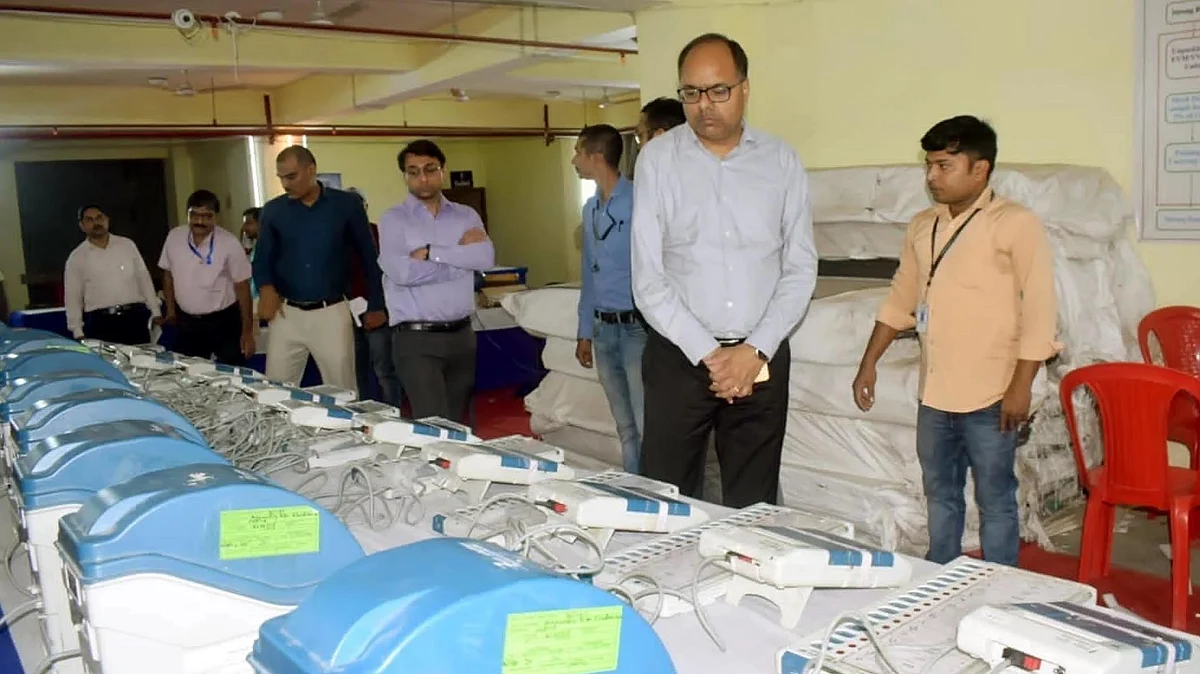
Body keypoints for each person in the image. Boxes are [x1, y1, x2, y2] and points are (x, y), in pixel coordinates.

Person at [851, 116, 1059, 567]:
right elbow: (901, 296)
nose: (931, 177)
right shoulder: (923, 225)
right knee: (941, 495)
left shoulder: (1016, 224)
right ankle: (940, 574)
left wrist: (1021, 385)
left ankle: (1001, 585)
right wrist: (869, 363)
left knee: (996, 499)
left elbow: (1040, 311)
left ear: (980, 169)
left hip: (992, 394)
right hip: (936, 395)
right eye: (929, 166)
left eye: (944, 166)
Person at [631, 33, 818, 508]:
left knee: (754, 501)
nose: (703, 105)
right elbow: (648, 279)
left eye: (718, 91)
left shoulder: (781, 161)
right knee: (667, 497)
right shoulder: (657, 160)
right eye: (690, 93)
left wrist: (754, 351)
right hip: (680, 357)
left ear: (745, 88)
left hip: (762, 356)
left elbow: (799, 267)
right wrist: (712, 355)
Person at [251, 146, 386, 389]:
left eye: (291, 176)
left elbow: (369, 257)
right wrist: (266, 288)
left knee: (342, 390)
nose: (285, 184)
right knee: (275, 391)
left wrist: (376, 305)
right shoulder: (273, 211)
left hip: (331, 313)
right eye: (280, 177)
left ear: (311, 170)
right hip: (286, 313)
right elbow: (262, 260)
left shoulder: (346, 205)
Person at [378, 140, 495, 421]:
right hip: (416, 339)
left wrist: (432, 253)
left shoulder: (466, 215)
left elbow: (486, 259)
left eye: (430, 169)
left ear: (442, 170)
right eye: (413, 171)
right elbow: (403, 274)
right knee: (432, 423)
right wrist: (459, 260)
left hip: (462, 336)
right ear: (405, 176)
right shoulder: (394, 219)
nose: (422, 177)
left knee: (458, 424)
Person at [573, 124, 644, 474]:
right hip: (604, 329)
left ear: (596, 155)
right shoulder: (590, 209)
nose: (574, 159)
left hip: (637, 330)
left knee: (647, 425)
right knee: (625, 426)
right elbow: (589, 273)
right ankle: (634, 489)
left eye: (578, 151)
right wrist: (584, 330)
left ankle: (658, 497)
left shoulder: (640, 202)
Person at [158, 189, 255, 364]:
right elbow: (168, 275)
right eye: (194, 215)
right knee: (190, 374)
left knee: (234, 372)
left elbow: (243, 287)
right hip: (187, 322)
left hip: (223, 322)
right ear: (187, 214)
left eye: (207, 216)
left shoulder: (229, 242)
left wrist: (247, 331)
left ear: (216, 217)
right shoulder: (175, 237)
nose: (200, 221)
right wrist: (171, 310)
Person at [64, 204, 162, 344]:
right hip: (101, 324)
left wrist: (155, 311)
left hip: (134, 319)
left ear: (107, 220)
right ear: (82, 225)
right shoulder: (77, 257)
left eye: (99, 217)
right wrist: (77, 331)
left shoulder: (127, 245)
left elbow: (144, 279)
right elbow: (73, 297)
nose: (96, 222)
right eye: (90, 220)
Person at [345, 187, 404, 407]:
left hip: (378, 311)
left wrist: (379, 308)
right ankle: (366, 416)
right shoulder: (336, 238)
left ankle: (394, 415)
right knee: (355, 371)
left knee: (384, 370)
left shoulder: (379, 234)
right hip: (346, 311)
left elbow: (389, 274)